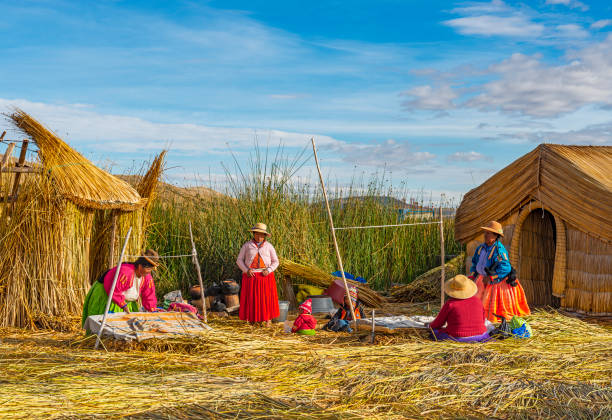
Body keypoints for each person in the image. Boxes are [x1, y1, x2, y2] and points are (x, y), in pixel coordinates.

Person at [468, 221, 530, 322]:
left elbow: (506, 267)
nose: (485, 235)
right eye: (485, 233)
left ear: (495, 236)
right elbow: (475, 262)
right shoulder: (480, 248)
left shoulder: (499, 250)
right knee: (476, 303)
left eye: (488, 233)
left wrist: (492, 277)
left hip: (495, 283)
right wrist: (473, 275)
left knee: (492, 309)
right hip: (481, 280)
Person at [81, 249, 160, 327]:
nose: (149, 272)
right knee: (106, 324)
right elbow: (114, 289)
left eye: (151, 270)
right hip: (107, 295)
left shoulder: (147, 278)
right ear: (140, 266)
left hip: (125, 301)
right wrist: (123, 305)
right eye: (148, 269)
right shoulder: (125, 272)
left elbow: (149, 295)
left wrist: (152, 309)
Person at [236, 223, 280, 327]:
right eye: (257, 234)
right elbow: (239, 260)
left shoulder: (269, 246)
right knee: (252, 299)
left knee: (266, 298)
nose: (259, 237)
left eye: (261, 235)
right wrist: (246, 270)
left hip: (266, 276)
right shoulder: (247, 246)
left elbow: (276, 261)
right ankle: (252, 320)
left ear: (264, 236)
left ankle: (267, 319)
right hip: (251, 276)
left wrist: (268, 270)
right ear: (253, 234)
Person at [428, 274, 491, 342]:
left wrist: (430, 325)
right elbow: (482, 320)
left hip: (458, 338)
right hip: (481, 336)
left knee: (434, 332)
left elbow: (438, 323)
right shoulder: (478, 301)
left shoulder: (450, 304)